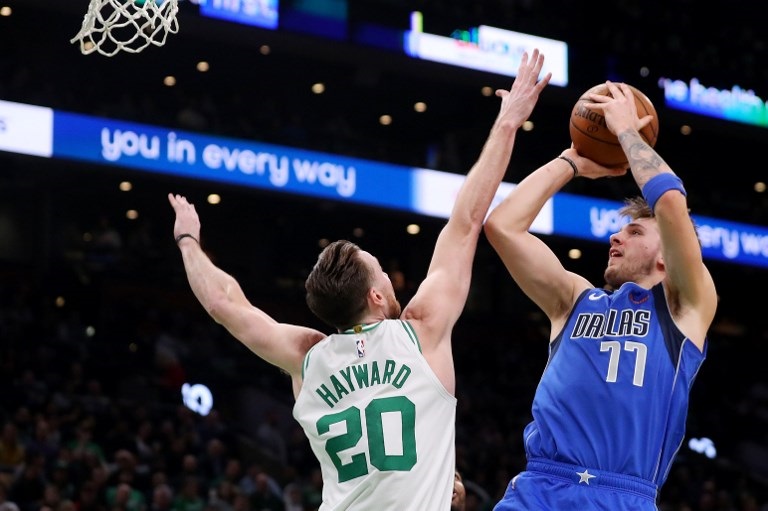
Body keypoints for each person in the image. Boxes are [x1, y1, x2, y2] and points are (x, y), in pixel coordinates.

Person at [167, 49, 551, 510]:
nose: (391, 277)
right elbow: (466, 221)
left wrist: (189, 239)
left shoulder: (306, 355)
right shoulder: (420, 329)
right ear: (374, 294)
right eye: (382, 271)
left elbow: (224, 304)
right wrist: (508, 122)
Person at [483, 81, 718, 510]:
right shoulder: (574, 298)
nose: (615, 236)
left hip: (619, 494)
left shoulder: (685, 305)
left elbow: (668, 203)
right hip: (538, 486)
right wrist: (569, 161)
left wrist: (628, 133)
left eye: (633, 231)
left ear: (667, 255)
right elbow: (503, 227)